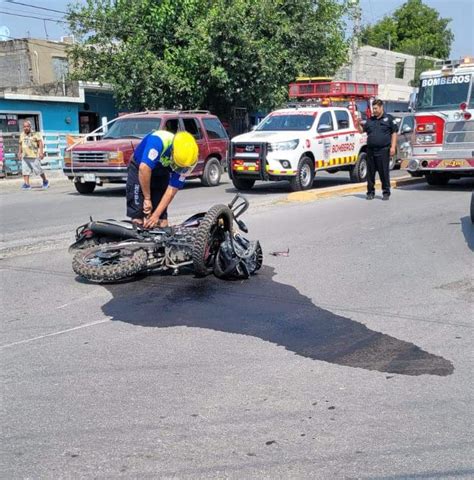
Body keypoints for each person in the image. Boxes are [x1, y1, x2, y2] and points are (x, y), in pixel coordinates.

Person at [126, 130, 198, 228]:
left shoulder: (188, 158)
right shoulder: (158, 142)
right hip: (140, 169)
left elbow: (172, 190)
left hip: (161, 172)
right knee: (138, 216)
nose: (180, 168)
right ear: (172, 152)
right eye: (178, 165)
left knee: (161, 220)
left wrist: (156, 215)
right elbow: (144, 169)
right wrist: (147, 198)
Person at [358, 99, 397, 201]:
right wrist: (357, 123)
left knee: (384, 172)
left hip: (383, 150)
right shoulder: (370, 120)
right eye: (373, 108)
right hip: (370, 151)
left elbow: (394, 133)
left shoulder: (389, 119)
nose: (374, 110)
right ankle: (370, 192)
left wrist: (393, 147)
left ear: (381, 108)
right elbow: (362, 131)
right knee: (370, 174)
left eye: (375, 108)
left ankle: (386, 192)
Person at [18, 121, 49, 190]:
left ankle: (45, 181)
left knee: (38, 170)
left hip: (34, 156)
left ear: (30, 127)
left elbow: (40, 143)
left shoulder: (35, 134)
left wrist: (41, 152)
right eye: (24, 127)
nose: (26, 128)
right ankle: (27, 184)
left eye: (27, 126)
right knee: (25, 171)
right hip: (25, 156)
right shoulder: (22, 135)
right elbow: (20, 144)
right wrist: (19, 153)